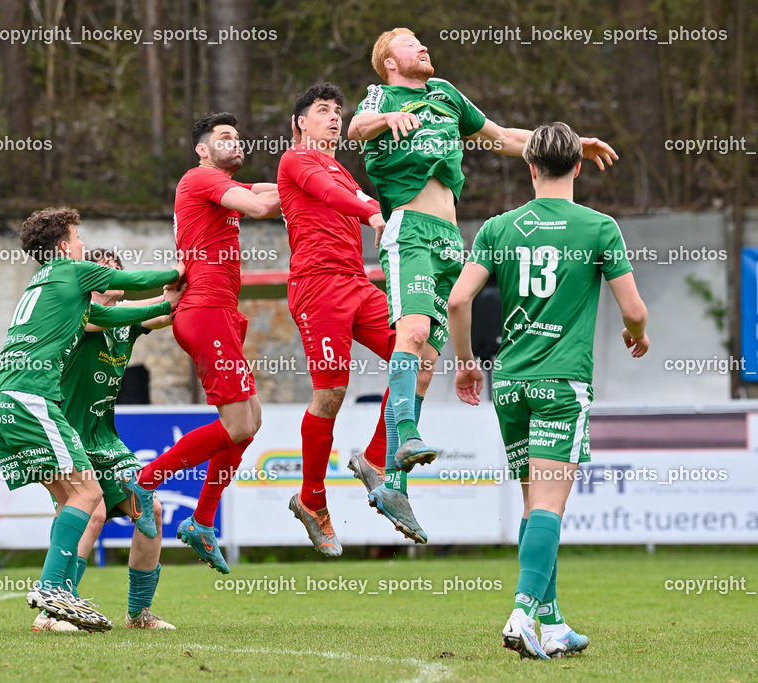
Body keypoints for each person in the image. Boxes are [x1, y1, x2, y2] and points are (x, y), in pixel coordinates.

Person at [347, 28, 618, 522]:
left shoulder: (445, 94)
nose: (422, 47)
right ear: (388, 61)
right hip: (409, 229)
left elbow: (504, 138)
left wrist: (572, 144)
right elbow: (356, 128)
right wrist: (388, 117)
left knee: (427, 359)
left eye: (422, 42)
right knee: (414, 332)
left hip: (451, 240)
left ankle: (391, 481)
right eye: (410, 44)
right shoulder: (382, 96)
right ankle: (406, 437)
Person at [448, 122, 649, 659]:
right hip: (562, 383)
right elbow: (632, 309)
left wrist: (467, 364)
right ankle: (522, 612)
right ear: (577, 167)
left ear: (530, 168)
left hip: (509, 383)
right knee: (551, 506)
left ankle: (553, 622)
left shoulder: (497, 228)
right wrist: (638, 334)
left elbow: (458, 303)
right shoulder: (599, 228)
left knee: (534, 503)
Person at [0, 206, 182, 631]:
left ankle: (93, 609)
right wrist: (182, 268)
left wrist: (175, 300)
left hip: (11, 402)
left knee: (95, 500)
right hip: (33, 401)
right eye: (78, 239)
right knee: (87, 497)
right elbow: (137, 282)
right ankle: (53, 592)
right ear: (63, 247)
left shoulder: (49, 283)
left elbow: (129, 312)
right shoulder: (70, 272)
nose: (82, 246)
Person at [121, 112, 280, 574]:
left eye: (238, 135)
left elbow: (269, 192)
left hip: (223, 314)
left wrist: (312, 185)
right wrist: (315, 189)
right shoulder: (199, 179)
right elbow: (261, 206)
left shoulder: (223, 189)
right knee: (235, 426)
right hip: (204, 311)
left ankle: (202, 521)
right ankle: (146, 481)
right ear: (203, 150)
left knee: (250, 421)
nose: (236, 142)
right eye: (225, 137)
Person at [277, 82, 423, 552]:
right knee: (332, 393)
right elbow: (333, 196)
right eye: (323, 110)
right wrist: (371, 211)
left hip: (358, 284)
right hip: (317, 286)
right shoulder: (295, 159)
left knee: (418, 351)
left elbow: (350, 194)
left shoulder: (340, 167)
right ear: (300, 123)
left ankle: (377, 459)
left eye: (338, 111)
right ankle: (312, 499)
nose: (335, 118)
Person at [53, 248, 179, 633]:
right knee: (92, 514)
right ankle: (54, 609)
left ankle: (138, 613)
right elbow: (143, 311)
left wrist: (192, 276)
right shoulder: (79, 314)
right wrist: (163, 292)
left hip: (105, 439)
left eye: (112, 274)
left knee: (152, 511)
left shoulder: (127, 322)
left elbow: (165, 310)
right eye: (97, 274)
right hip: (68, 436)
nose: (105, 280)